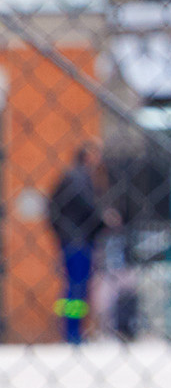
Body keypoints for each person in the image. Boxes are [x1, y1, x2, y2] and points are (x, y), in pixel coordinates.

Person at [46, 146, 110, 345]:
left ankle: (73, 330)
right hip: (77, 240)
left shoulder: (75, 177)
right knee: (76, 286)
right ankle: (72, 331)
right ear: (88, 156)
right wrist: (105, 219)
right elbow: (88, 207)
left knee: (75, 286)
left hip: (75, 239)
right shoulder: (78, 178)